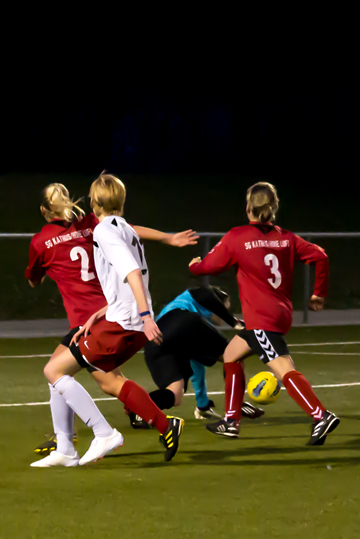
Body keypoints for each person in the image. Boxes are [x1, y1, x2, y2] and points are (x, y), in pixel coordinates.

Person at [26, 183, 197, 457]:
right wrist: (167, 238)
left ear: (44, 210)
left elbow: (34, 279)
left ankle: (110, 432)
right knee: (67, 374)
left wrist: (143, 315)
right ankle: (67, 441)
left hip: (101, 319)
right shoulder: (91, 224)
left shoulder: (44, 240)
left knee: (80, 376)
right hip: (104, 310)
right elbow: (127, 231)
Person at [189, 182, 339, 445]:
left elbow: (209, 267)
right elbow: (321, 256)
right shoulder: (287, 238)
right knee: (231, 355)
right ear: (274, 208)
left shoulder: (238, 236)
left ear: (248, 208)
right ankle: (231, 421)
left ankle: (320, 415)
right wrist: (319, 294)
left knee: (283, 368)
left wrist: (195, 266)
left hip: (262, 318)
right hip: (280, 314)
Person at [143, 286, 265, 421]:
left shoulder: (185, 315)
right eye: (224, 308)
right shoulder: (197, 297)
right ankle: (236, 405)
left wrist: (203, 406)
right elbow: (206, 294)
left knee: (175, 393)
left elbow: (197, 367)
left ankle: (137, 408)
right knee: (235, 355)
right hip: (179, 322)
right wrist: (233, 321)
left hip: (155, 344)